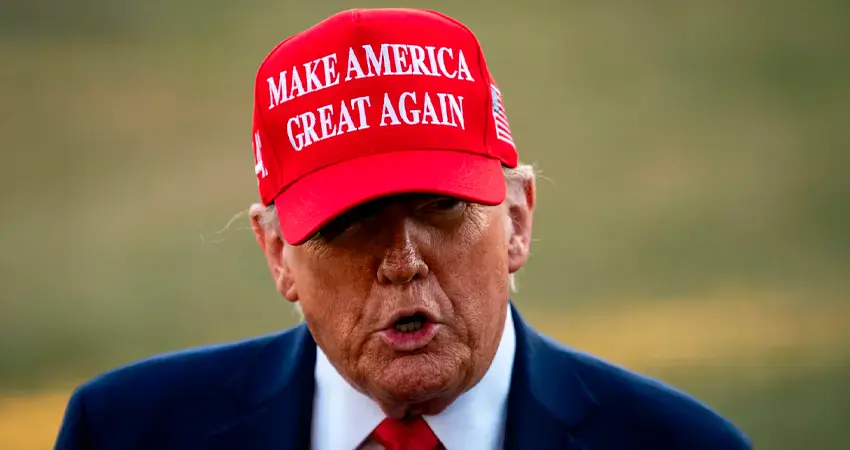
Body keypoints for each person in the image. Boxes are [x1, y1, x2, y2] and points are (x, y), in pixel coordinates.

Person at [55, 8, 751, 450]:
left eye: (442, 207)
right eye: (348, 223)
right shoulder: (123, 432)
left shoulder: (685, 444)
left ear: (516, 220)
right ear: (278, 256)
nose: (403, 261)